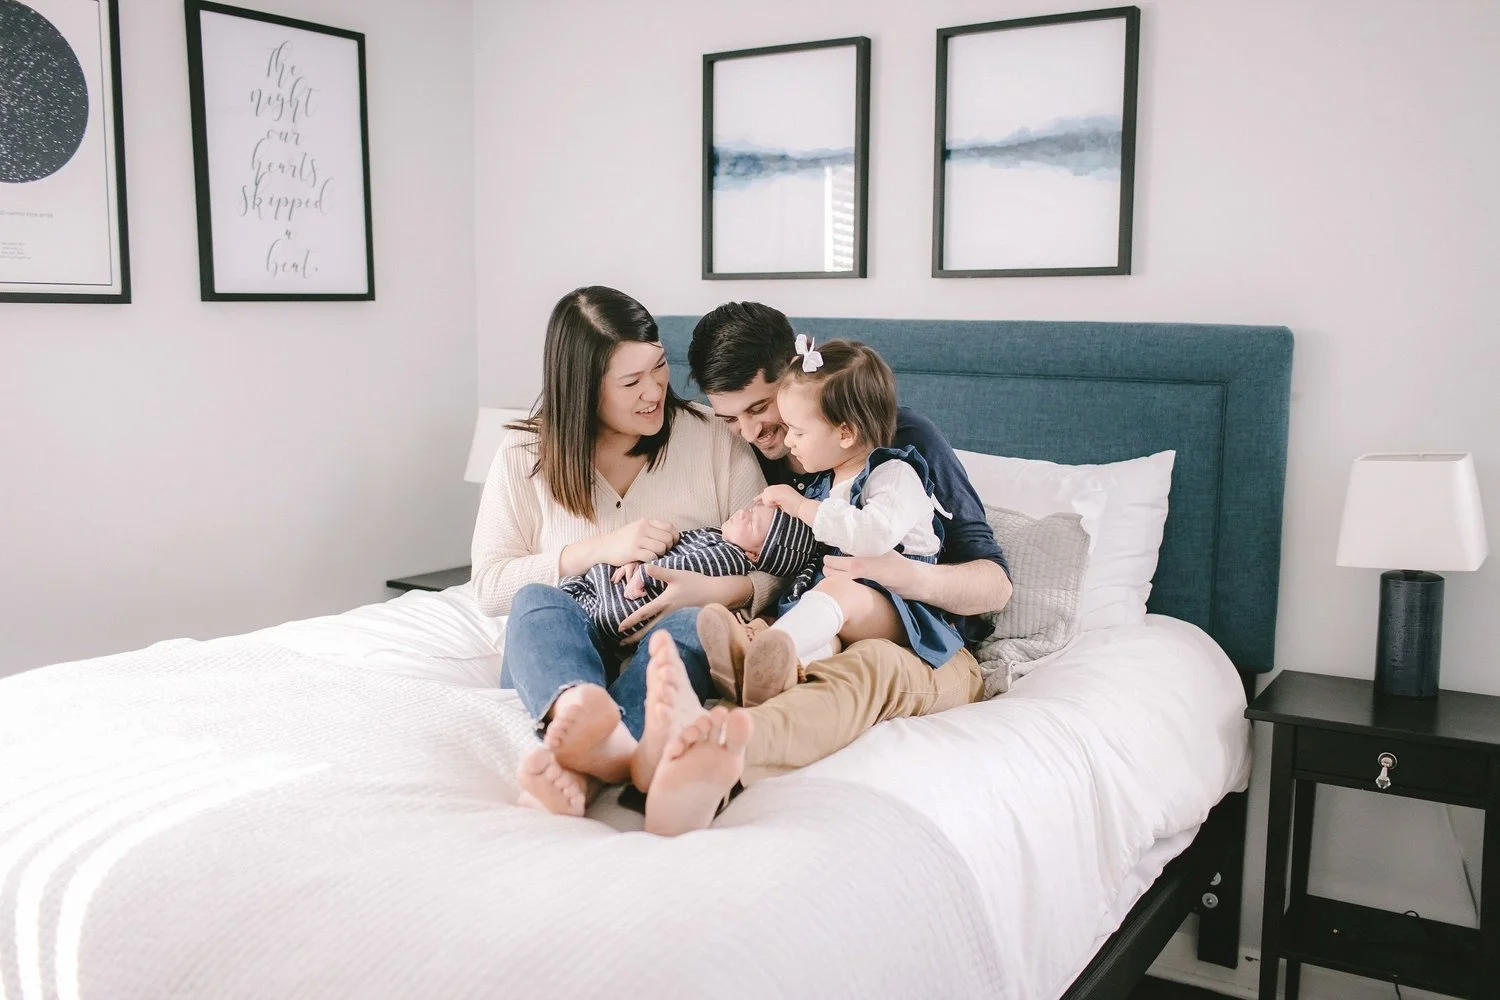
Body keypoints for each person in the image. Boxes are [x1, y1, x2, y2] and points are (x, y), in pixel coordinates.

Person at [633, 302, 1015, 834]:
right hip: (813, 625)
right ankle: (647, 742)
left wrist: (908, 577)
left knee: (867, 670)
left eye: (761, 408)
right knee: (716, 636)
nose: (752, 433)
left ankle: (724, 751)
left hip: (928, 643)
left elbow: (996, 585)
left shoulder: (901, 445)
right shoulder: (756, 454)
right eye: (730, 419)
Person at [471, 286, 774, 818]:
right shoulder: (523, 453)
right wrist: (596, 549)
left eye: (658, 367)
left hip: (665, 642)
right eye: (631, 382)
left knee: (697, 622)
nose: (655, 391)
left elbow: (776, 563)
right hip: (562, 645)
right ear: (582, 389)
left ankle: (582, 765)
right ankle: (578, 710)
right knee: (536, 602)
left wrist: (719, 589)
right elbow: (490, 587)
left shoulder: (711, 437)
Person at [697, 337, 963, 705]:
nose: (788, 441)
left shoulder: (895, 473)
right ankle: (776, 678)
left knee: (836, 593)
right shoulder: (831, 478)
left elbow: (870, 537)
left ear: (845, 433)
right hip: (856, 606)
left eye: (799, 431)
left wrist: (802, 507)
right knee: (826, 638)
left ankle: (760, 653)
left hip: (905, 606)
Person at [559, 501, 819, 652]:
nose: (742, 513)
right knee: (582, 591)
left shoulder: (730, 556)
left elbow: (687, 565)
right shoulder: (723, 539)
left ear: (754, 555)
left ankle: (573, 596)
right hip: (629, 602)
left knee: (596, 581)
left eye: (751, 523)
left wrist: (646, 574)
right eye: (751, 510)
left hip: (633, 602)